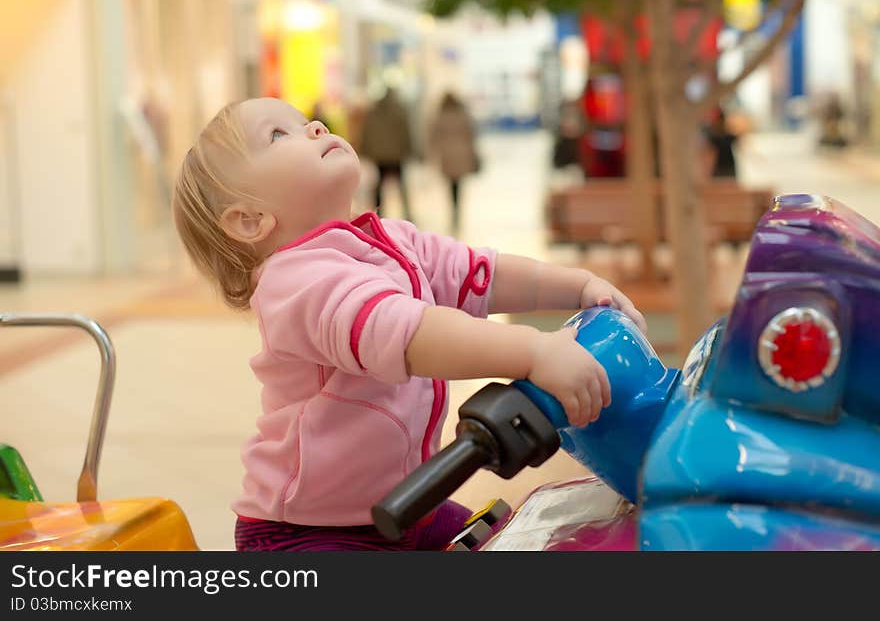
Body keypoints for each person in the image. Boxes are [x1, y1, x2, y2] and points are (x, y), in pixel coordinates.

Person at [172, 97, 648, 552]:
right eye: (278, 135)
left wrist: (580, 286)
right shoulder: (296, 283)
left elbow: (482, 273)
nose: (314, 127)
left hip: (407, 509)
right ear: (250, 220)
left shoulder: (390, 241)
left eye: (305, 121)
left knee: (522, 535)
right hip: (307, 533)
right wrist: (534, 351)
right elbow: (407, 333)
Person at [357, 87, 414, 220]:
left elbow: (367, 132)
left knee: (379, 187)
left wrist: (365, 150)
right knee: (401, 186)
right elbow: (406, 133)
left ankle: (378, 214)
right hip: (396, 155)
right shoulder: (400, 111)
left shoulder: (373, 111)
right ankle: (407, 213)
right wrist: (409, 150)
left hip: (380, 155)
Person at [428, 92, 480, 232]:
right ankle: (457, 210)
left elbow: (433, 137)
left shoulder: (440, 116)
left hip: (447, 156)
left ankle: (453, 209)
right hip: (462, 154)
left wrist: (432, 153)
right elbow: (471, 135)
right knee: (459, 184)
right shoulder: (463, 115)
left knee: (451, 184)